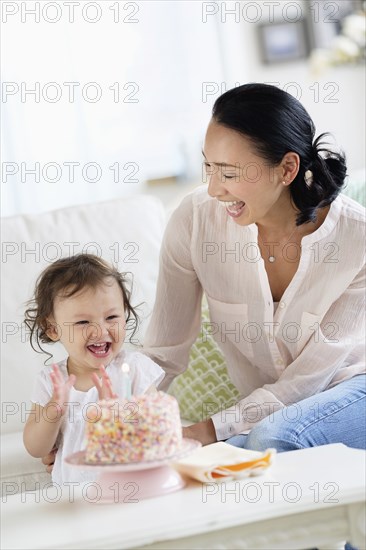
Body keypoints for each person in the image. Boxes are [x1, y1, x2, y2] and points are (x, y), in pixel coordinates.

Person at [143, 83, 366, 451]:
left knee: (271, 437)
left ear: (287, 169)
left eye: (229, 174)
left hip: (350, 388)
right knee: (232, 450)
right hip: (268, 413)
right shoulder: (195, 221)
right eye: (209, 168)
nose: (214, 189)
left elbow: (311, 378)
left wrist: (209, 430)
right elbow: (163, 353)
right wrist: (103, 425)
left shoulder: (356, 239)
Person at [23, 253, 164, 485]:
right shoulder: (52, 381)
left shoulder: (135, 370)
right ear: (53, 328)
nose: (100, 331)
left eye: (111, 317)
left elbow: (159, 434)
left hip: (131, 488)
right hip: (73, 499)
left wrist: (117, 414)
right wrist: (54, 411)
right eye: (83, 322)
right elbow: (36, 448)